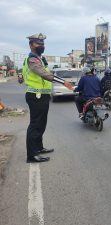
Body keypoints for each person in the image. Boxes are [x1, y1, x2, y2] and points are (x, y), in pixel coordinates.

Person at [23, 33, 73, 163]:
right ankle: (32, 155)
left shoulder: (39, 59)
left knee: (41, 124)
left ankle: (38, 148)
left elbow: (24, 77)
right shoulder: (32, 59)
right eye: (38, 43)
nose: (41, 46)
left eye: (43, 44)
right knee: (35, 125)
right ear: (31, 45)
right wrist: (63, 82)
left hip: (42, 96)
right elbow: (44, 74)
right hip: (36, 96)